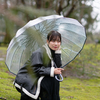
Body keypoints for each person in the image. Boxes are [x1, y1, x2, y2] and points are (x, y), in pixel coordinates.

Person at [14, 31, 64, 100]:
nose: (56, 44)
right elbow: (34, 69)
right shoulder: (39, 53)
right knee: (50, 80)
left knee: (55, 78)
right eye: (53, 41)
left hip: (40, 77)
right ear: (47, 41)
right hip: (29, 78)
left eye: (58, 41)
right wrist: (52, 71)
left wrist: (58, 54)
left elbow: (57, 67)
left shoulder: (54, 52)